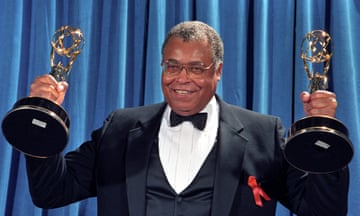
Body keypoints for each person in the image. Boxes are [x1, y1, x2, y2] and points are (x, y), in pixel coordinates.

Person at [25, 21, 349, 216]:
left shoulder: (263, 133)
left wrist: (324, 139)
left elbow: (321, 211)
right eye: (172, 66)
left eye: (196, 68)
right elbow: (51, 192)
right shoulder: (119, 128)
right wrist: (40, 123)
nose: (182, 78)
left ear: (218, 72)